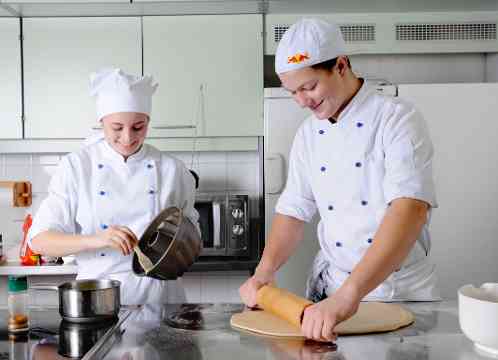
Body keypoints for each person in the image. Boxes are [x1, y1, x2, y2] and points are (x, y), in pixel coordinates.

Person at [239, 18, 440, 342]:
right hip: (330, 293)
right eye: (293, 92)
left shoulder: (397, 118)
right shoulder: (308, 134)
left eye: (309, 87)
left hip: (393, 290)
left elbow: (410, 209)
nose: (303, 101)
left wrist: (351, 295)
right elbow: (293, 210)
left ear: (341, 66)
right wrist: (264, 273)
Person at [28, 68, 199, 305]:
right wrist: (98, 239)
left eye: (138, 127)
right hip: (99, 299)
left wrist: (183, 247)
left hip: (161, 298)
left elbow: (192, 232)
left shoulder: (173, 170)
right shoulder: (77, 167)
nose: (128, 138)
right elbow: (39, 241)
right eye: (117, 128)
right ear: (101, 122)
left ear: (148, 121)